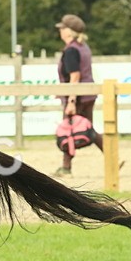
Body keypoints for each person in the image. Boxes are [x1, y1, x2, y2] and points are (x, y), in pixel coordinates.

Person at [55, 13, 104, 176]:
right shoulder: (83, 47)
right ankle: (112, 158)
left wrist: (71, 100)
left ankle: (66, 167)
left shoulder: (71, 51)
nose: (60, 31)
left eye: (62, 28)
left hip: (77, 97)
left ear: (69, 32)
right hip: (88, 94)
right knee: (89, 129)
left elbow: (75, 76)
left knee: (68, 130)